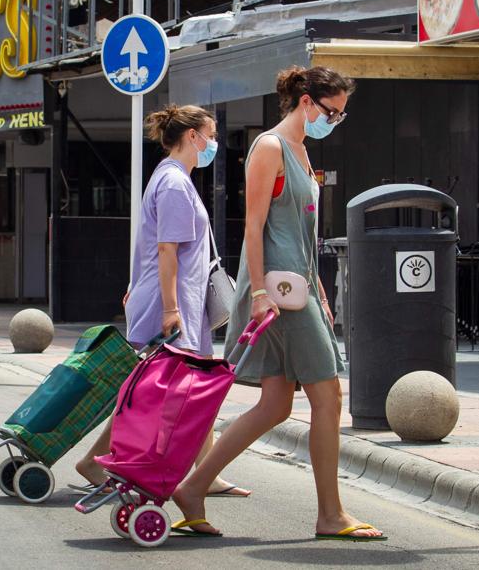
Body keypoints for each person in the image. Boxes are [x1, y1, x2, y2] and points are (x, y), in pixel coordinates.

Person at [171, 66, 385, 541]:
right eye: (331, 112)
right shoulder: (270, 147)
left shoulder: (302, 152)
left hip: (296, 288)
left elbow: (302, 233)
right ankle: (330, 515)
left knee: (274, 406)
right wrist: (262, 294)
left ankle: (193, 486)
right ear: (306, 102)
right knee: (327, 397)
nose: (334, 121)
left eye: (340, 116)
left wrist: (321, 289)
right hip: (279, 295)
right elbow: (253, 225)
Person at [73, 105, 250, 498]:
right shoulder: (173, 183)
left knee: (191, 388)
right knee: (158, 394)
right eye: (212, 134)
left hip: (175, 300)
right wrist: (170, 309)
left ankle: (206, 474)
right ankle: (94, 460)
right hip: (171, 305)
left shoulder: (172, 179)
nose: (215, 143)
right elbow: (167, 250)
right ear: (193, 137)